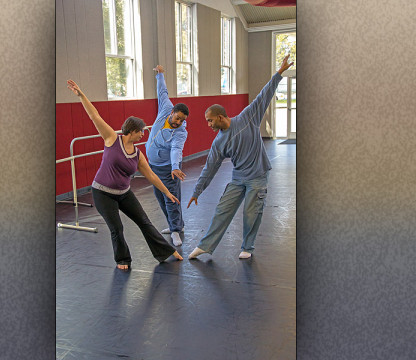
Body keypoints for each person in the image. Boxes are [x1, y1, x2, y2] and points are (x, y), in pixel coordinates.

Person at [67, 79, 183, 270]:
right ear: (133, 131)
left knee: (144, 222)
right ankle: (123, 259)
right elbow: (94, 116)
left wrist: (167, 193)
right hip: (103, 193)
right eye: (141, 132)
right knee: (117, 228)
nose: (143, 135)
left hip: (124, 194)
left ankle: (166, 251)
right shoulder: (111, 138)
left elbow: (152, 176)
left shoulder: (137, 154)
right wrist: (81, 95)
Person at [187, 55, 294, 260]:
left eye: (210, 121)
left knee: (251, 213)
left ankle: (248, 247)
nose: (208, 125)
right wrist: (197, 191)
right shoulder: (219, 142)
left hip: (258, 176)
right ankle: (205, 246)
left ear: (220, 117)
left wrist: (279, 74)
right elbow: (209, 168)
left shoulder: (247, 117)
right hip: (238, 178)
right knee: (222, 210)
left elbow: (264, 96)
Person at [145, 65, 189, 247]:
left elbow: (176, 149)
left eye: (182, 120)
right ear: (172, 113)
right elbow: (162, 92)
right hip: (152, 167)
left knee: (171, 199)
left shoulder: (180, 133)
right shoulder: (165, 109)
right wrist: (160, 75)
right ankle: (174, 225)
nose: (178, 122)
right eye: (177, 118)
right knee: (160, 197)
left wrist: (175, 167)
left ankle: (176, 230)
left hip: (167, 169)